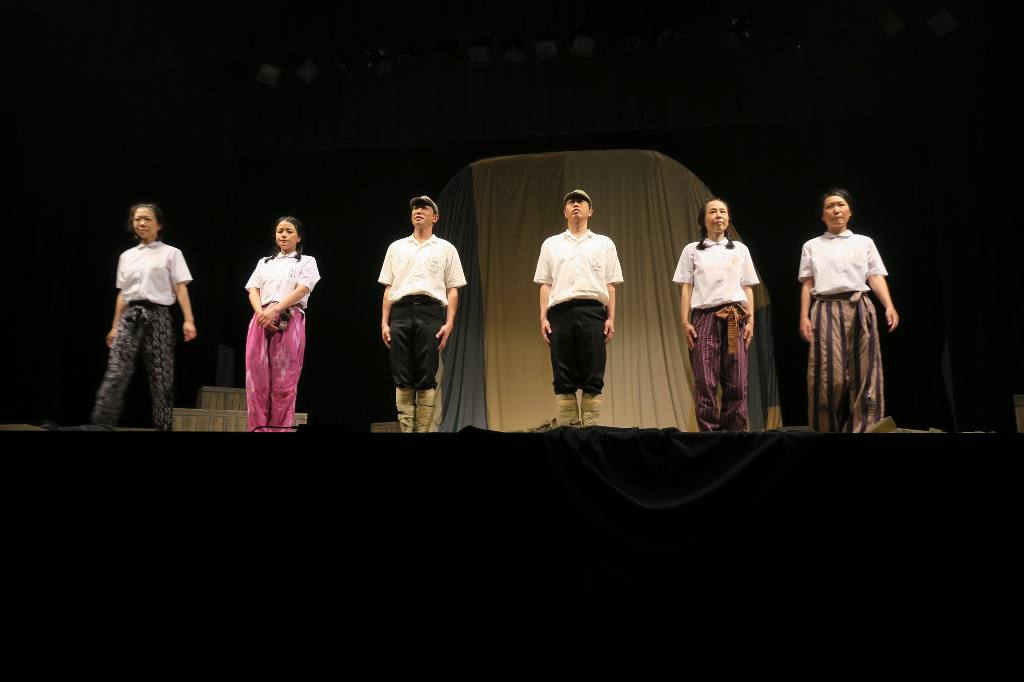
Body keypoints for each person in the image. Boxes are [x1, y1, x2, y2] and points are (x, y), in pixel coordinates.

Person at [798, 188, 899, 432]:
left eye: (841, 205)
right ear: (822, 215)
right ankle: (825, 431)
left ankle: (863, 430)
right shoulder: (812, 245)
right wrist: (803, 316)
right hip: (825, 308)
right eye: (830, 206)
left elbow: (874, 276)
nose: (836, 210)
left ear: (850, 211)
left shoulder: (864, 242)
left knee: (865, 371)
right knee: (828, 375)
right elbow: (808, 283)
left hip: (859, 306)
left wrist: (889, 305)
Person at [91, 203, 197, 431]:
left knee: (161, 375)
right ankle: (101, 425)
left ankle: (163, 426)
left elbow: (180, 288)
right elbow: (123, 294)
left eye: (147, 218)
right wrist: (114, 326)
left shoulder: (171, 253)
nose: (141, 223)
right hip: (130, 315)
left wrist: (189, 320)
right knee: (116, 371)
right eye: (137, 219)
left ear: (158, 224)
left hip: (158, 314)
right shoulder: (127, 256)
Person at [534, 189, 624, 427]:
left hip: (593, 312)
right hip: (559, 313)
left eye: (581, 201)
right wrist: (543, 317)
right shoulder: (551, 244)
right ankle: (569, 431)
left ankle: (590, 431)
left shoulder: (604, 243)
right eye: (571, 202)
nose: (576, 204)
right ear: (564, 211)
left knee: (593, 372)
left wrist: (611, 318)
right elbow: (545, 284)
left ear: (590, 210)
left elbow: (611, 285)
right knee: (562, 373)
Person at [379, 196, 466, 433]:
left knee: (426, 374)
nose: (418, 210)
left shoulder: (446, 248)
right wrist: (384, 322)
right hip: (401, 311)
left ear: (435, 217)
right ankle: (407, 431)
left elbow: (453, 289)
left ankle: (423, 432)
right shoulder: (396, 247)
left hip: (430, 312)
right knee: (402, 374)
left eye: (424, 208)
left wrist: (449, 322)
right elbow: (388, 287)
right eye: (415, 208)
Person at [674, 198, 759, 431]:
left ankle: (735, 436)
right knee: (705, 382)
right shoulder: (692, 250)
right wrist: (685, 321)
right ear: (704, 219)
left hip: (735, 318)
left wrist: (750, 321)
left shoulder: (740, 249)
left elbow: (747, 287)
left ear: (728, 219)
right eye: (712, 211)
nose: (718, 215)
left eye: (723, 211)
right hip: (704, 318)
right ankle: (709, 438)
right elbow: (686, 287)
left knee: (737, 381)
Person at [244, 216, 321, 432]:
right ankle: (258, 429)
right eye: (280, 231)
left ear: (299, 237)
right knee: (257, 381)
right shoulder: (264, 262)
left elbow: (303, 289)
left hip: (288, 318)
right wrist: (261, 313)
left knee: (284, 383)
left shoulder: (307, 261)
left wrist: (275, 310)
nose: (284, 235)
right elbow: (253, 290)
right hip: (261, 319)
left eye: (289, 231)